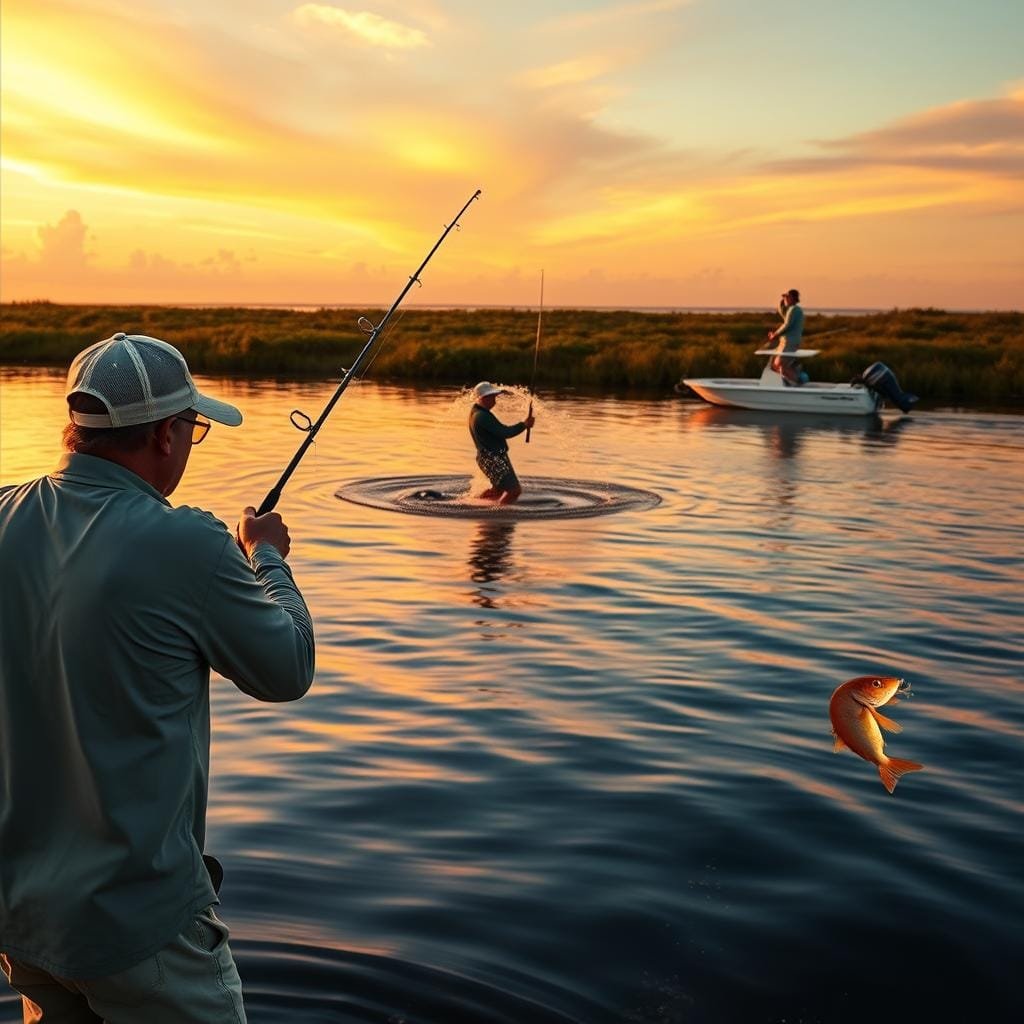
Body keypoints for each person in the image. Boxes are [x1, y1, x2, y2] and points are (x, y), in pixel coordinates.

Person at [0, 333, 315, 1023]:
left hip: (22, 917)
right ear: (166, 436)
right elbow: (289, 667)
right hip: (140, 927)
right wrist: (266, 557)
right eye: (193, 428)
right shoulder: (189, 542)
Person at [467, 381, 535, 504]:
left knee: (497, 491)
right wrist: (524, 425)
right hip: (494, 459)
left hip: (489, 458)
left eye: (494, 397)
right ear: (483, 398)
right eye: (491, 397)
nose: (494, 400)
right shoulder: (482, 416)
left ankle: (471, 504)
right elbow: (504, 432)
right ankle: (498, 512)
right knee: (514, 491)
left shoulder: (476, 412)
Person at [767, 288, 805, 385]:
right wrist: (781, 302)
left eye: (787, 297)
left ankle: (798, 382)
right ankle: (789, 382)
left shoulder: (794, 310)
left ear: (792, 298)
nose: (785, 299)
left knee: (779, 365)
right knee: (775, 365)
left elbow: (787, 324)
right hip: (786, 342)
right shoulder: (791, 310)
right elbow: (783, 313)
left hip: (789, 342)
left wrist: (774, 334)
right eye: (785, 297)